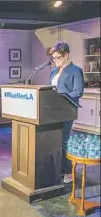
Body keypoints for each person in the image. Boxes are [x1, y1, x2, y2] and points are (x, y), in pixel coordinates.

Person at [49, 42, 84, 184]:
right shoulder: (53, 71)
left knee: (63, 141)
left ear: (66, 55)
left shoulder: (76, 70)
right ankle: (56, 169)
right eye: (54, 58)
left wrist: (62, 96)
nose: (55, 61)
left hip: (67, 110)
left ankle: (68, 171)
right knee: (53, 141)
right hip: (52, 111)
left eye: (58, 58)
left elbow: (78, 91)